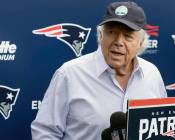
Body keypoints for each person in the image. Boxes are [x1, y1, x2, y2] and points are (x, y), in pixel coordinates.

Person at [31, 1, 167, 140]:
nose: (119, 42)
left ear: (140, 43)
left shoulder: (152, 74)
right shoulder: (69, 74)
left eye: (128, 36)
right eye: (112, 32)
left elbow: (163, 128)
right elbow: (45, 133)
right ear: (101, 36)